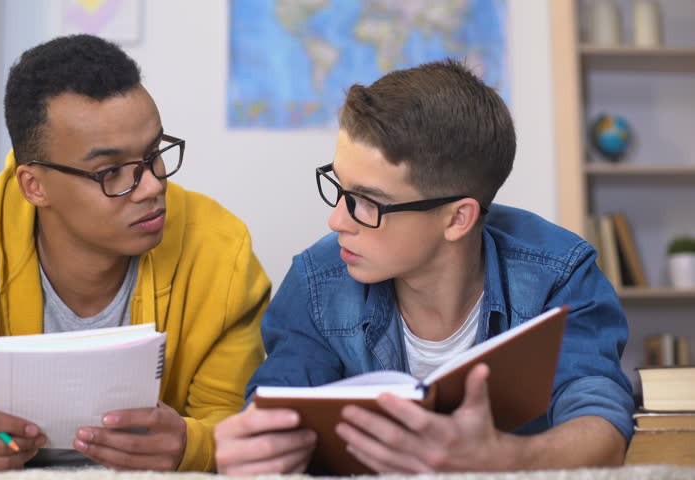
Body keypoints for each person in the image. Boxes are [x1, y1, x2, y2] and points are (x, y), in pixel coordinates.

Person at [0, 34, 270, 474]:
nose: (152, 186)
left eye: (154, 154)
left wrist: (193, 446)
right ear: (34, 186)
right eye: (111, 171)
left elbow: (237, 424)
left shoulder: (220, 250)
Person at [214, 59, 634, 474]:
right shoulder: (317, 281)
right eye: (340, 187)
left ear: (457, 219)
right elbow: (275, 405)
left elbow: (602, 427)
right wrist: (252, 447)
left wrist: (502, 460)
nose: (337, 220)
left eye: (367, 202)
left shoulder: (558, 274)